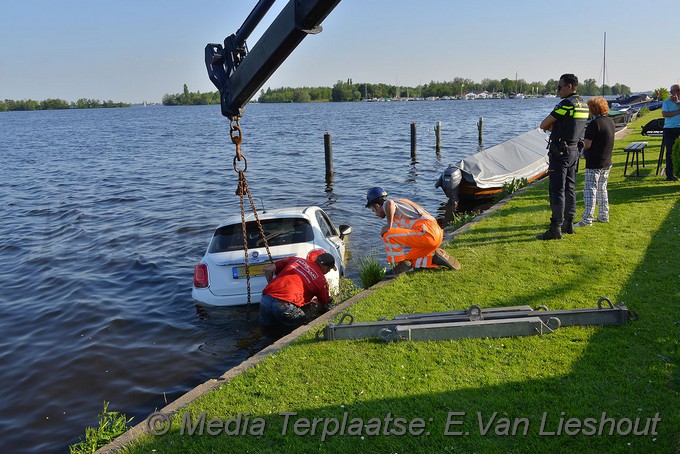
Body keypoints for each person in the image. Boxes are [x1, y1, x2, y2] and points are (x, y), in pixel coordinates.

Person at [537, 74, 589, 240]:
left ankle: (555, 228)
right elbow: (575, 127)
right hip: (574, 150)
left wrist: (556, 129)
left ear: (570, 87)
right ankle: (569, 223)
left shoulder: (566, 104)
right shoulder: (584, 104)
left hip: (560, 151)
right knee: (570, 188)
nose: (557, 90)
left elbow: (543, 124)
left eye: (560, 87)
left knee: (556, 189)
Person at [364, 187, 460, 274]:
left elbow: (389, 204)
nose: (375, 214)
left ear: (377, 206)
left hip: (427, 232)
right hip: (436, 234)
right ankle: (434, 259)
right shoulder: (401, 202)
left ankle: (401, 265)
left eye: (373, 210)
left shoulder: (388, 204)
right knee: (410, 261)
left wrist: (388, 226)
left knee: (388, 234)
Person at [259, 253, 336, 327]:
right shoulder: (321, 281)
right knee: (302, 325)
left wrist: (271, 286)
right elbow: (322, 307)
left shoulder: (296, 260)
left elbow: (267, 269)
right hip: (284, 306)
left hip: (266, 299)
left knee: (266, 329)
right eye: (329, 269)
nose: (328, 272)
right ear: (325, 267)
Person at [574, 96, 615, 227]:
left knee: (589, 190)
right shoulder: (610, 121)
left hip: (594, 161)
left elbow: (587, 145)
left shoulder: (594, 124)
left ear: (593, 109)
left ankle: (587, 219)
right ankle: (603, 215)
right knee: (602, 189)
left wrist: (577, 145)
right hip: (606, 160)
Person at [661, 84, 680, 181]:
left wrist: (677, 104)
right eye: (676, 90)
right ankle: (669, 174)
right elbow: (665, 114)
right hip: (669, 129)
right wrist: (678, 111)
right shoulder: (666, 102)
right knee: (670, 152)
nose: (677, 92)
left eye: (679, 90)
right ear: (671, 92)